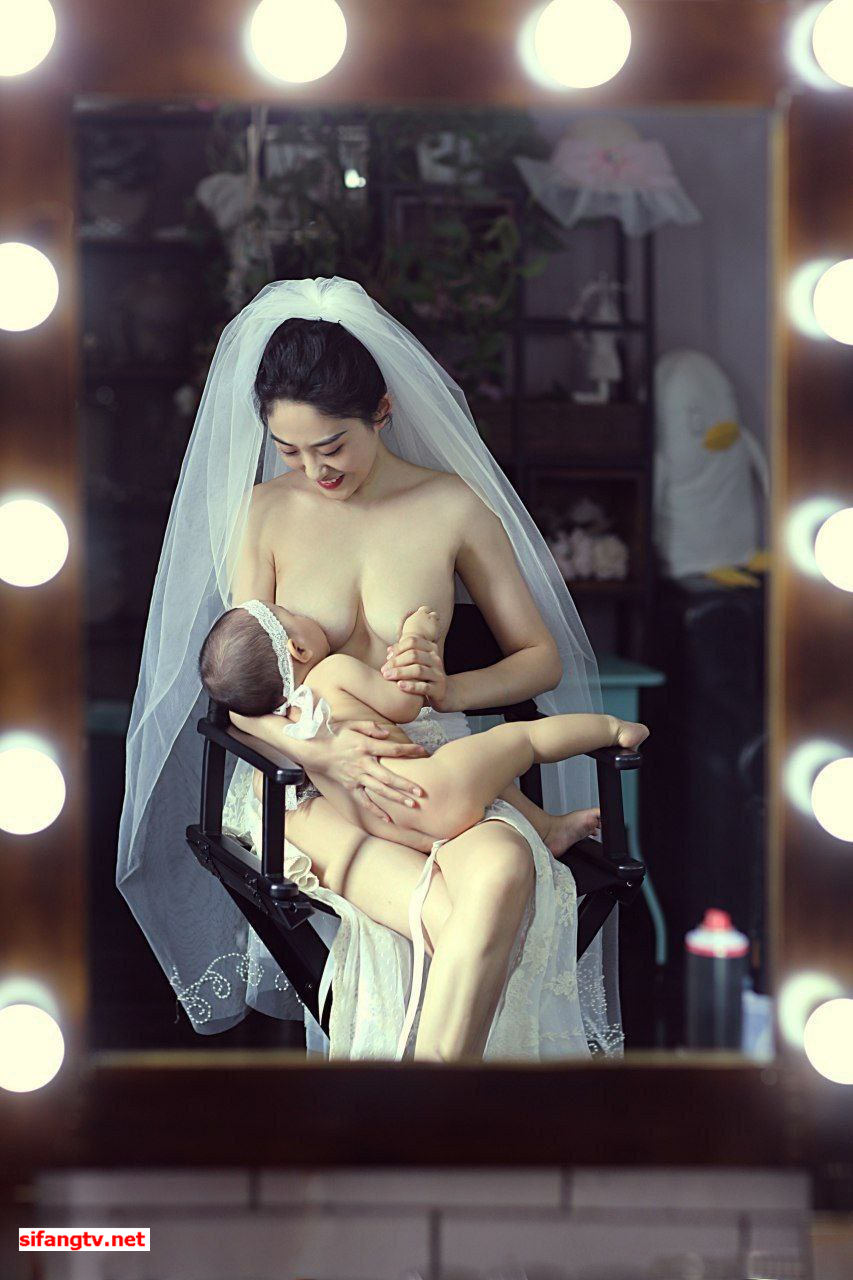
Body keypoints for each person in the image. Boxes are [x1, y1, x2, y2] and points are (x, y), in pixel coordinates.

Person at [116, 276, 626, 1062]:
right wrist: (325, 754)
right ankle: (430, 1107)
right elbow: (245, 689)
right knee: (450, 916)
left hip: (430, 766)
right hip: (303, 779)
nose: (314, 470)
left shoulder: (451, 506)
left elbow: (539, 658)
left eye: (331, 447)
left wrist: (448, 688)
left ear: (381, 410)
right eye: (290, 450)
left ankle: (420, 1104)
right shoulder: (265, 513)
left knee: (500, 874)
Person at [199, 597, 647, 847]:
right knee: (521, 739)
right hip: (434, 788)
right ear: (298, 649)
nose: (306, 615)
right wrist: (417, 634)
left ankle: (546, 828)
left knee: (485, 774)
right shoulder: (332, 671)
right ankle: (613, 728)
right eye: (295, 616)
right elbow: (405, 705)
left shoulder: (290, 725)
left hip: (395, 827)